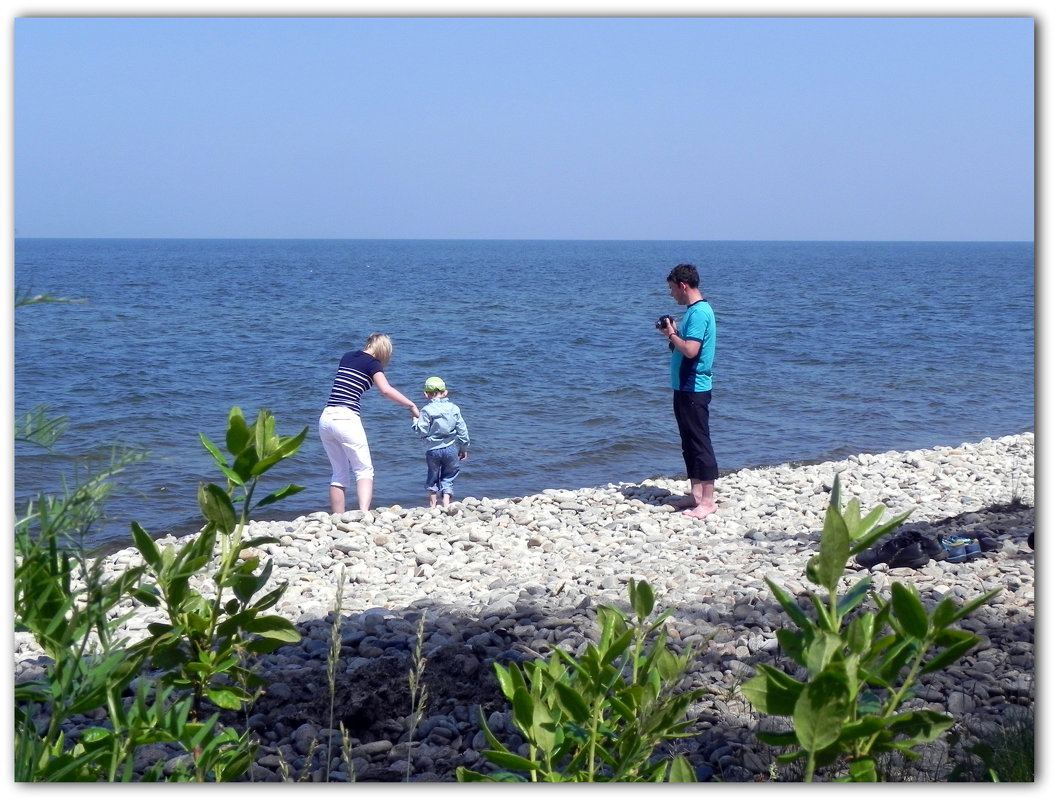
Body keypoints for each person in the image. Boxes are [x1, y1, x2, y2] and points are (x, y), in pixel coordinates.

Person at [318, 333, 419, 514]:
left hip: (326, 418)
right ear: (383, 349)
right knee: (364, 470)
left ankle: (336, 518)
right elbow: (386, 390)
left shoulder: (347, 356)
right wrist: (411, 404)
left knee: (339, 472)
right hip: (346, 417)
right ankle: (364, 513)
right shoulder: (373, 363)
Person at [657, 263, 718, 519]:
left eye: (672, 289)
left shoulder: (700, 312)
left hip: (694, 387)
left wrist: (672, 334)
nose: (671, 294)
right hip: (683, 386)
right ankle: (695, 493)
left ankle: (708, 500)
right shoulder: (694, 312)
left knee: (699, 441)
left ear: (683, 286)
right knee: (688, 441)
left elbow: (692, 351)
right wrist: (671, 335)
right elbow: (684, 349)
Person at [411, 376, 470, 507]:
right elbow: (463, 431)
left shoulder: (426, 410)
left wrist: (415, 419)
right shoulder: (454, 408)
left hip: (432, 450)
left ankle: (432, 504)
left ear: (426, 394)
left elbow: (421, 432)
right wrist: (463, 448)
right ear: (445, 393)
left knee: (433, 475)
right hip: (450, 448)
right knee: (449, 475)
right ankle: (446, 502)